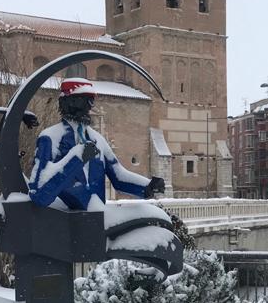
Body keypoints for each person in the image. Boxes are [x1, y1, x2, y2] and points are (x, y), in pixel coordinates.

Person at [28, 78, 165, 209]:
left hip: (98, 216)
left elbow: (118, 175)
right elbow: (40, 194)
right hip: (68, 221)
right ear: (68, 102)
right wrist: (77, 158)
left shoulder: (97, 139)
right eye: (83, 99)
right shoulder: (50, 138)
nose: (89, 105)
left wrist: (147, 186)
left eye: (91, 100)